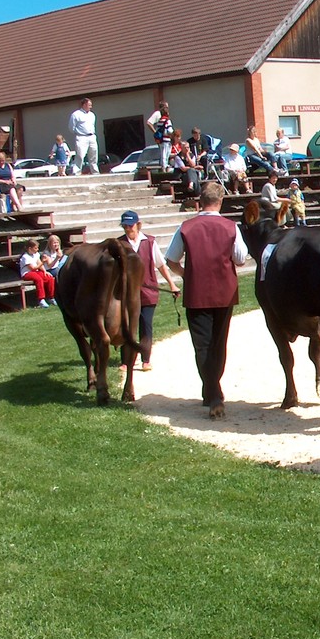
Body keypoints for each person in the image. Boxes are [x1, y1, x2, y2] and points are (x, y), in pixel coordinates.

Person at [164, 182, 248, 420]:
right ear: (220, 202)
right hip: (224, 293)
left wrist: (185, 274)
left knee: (202, 345)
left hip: (196, 292)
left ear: (200, 202)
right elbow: (240, 259)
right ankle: (213, 391)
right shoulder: (230, 226)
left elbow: (171, 260)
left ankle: (211, 391)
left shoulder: (186, 227)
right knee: (219, 343)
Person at [119, 210, 180, 372]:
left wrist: (171, 284)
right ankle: (125, 361)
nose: (127, 229)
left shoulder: (150, 242)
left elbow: (160, 265)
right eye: (124, 226)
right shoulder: (119, 244)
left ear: (138, 225)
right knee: (127, 326)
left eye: (130, 225)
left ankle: (146, 359)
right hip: (126, 294)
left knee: (146, 326)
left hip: (148, 291)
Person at [19, 238, 55, 308]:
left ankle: (51, 297)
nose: (37, 249)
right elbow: (33, 268)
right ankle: (41, 299)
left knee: (49, 278)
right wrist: (43, 262)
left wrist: (45, 271)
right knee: (39, 279)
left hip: (36, 272)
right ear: (30, 248)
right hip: (27, 273)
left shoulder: (36, 254)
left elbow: (39, 264)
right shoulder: (25, 257)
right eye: (35, 248)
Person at [68, 97, 99, 174]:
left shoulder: (92, 115)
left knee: (94, 155)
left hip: (92, 136)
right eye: (89, 105)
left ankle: (95, 172)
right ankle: (77, 172)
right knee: (80, 155)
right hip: (81, 137)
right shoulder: (76, 114)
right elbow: (71, 127)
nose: (91, 107)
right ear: (84, 105)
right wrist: (79, 133)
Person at [146, 101, 173, 171]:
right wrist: (156, 133)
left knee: (165, 154)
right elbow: (149, 123)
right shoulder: (157, 113)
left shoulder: (164, 117)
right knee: (163, 154)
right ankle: (164, 169)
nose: (168, 109)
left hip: (165, 136)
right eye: (166, 107)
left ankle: (164, 168)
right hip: (162, 137)